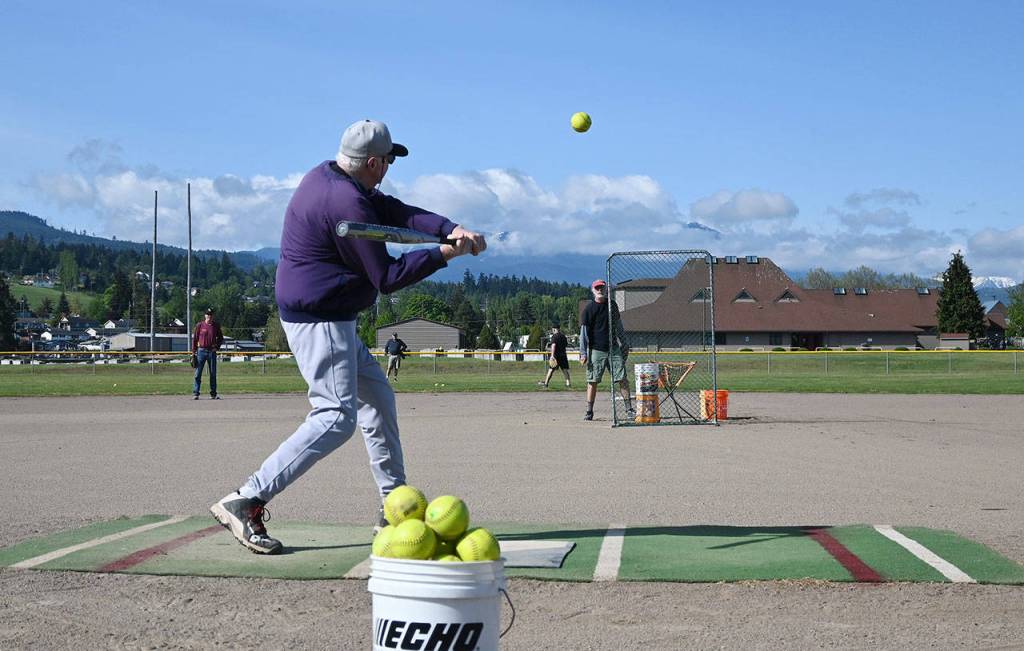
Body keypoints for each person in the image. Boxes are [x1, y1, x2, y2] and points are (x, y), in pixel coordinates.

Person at [210, 119, 485, 554]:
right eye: (389, 161)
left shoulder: (331, 176)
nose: (390, 167)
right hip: (321, 319)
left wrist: (447, 227)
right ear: (373, 162)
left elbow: (393, 210)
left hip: (327, 312)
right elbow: (387, 277)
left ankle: (393, 506)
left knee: (377, 398)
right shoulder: (346, 203)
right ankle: (247, 498)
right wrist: (444, 253)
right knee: (336, 416)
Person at [579, 279, 633, 421]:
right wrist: (583, 353)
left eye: (602, 287)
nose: (600, 290)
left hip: (613, 348)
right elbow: (583, 334)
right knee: (592, 380)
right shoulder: (589, 309)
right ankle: (589, 411)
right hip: (596, 350)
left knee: (622, 378)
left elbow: (619, 326)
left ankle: (629, 409)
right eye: (597, 288)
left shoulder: (612, 306)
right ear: (593, 290)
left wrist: (625, 343)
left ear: (606, 289)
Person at [192, 308, 224, 400]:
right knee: (198, 373)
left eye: (211, 314)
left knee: (213, 374)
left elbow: (221, 338)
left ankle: (213, 394)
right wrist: (193, 352)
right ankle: (196, 393)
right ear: (205, 315)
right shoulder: (200, 325)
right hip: (201, 351)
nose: (209, 316)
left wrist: (216, 347)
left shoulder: (215, 326)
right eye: (207, 314)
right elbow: (195, 339)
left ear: (212, 316)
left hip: (211, 352)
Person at [538, 324, 570, 388]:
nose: (552, 330)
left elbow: (553, 346)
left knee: (551, 370)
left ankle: (546, 383)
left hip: (556, 355)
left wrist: (552, 355)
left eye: (553, 329)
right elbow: (566, 345)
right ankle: (568, 384)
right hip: (563, 355)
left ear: (555, 329)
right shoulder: (563, 336)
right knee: (565, 370)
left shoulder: (554, 336)